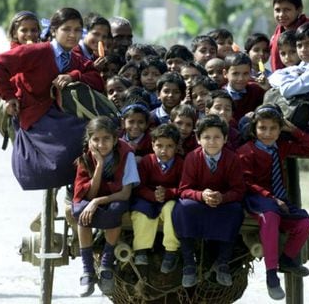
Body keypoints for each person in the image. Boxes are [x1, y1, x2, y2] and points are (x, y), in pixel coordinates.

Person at [0, 7, 105, 189]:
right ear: (53, 30)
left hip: (61, 116)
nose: (72, 35)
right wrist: (9, 96)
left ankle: (79, 195)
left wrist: (73, 76)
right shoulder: (37, 51)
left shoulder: (75, 58)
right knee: (65, 155)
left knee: (95, 137)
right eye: (66, 29)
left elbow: (95, 78)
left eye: (77, 30)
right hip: (37, 118)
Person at [236, 104, 309, 300]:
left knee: (304, 223)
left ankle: (287, 259)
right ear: (254, 129)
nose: (267, 133)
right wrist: (269, 197)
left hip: (277, 200)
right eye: (262, 128)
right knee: (271, 216)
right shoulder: (246, 152)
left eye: (273, 128)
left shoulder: (280, 146)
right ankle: (271, 275)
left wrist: (293, 130)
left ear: (280, 129)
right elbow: (246, 183)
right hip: (256, 198)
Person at [172, 114, 245, 288]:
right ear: (198, 139)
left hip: (222, 203)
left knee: (235, 210)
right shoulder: (192, 157)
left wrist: (223, 197)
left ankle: (222, 263)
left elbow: (239, 190)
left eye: (217, 137)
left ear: (225, 139)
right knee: (183, 208)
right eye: (206, 137)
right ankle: (189, 263)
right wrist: (201, 195)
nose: (212, 142)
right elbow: (184, 190)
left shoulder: (232, 158)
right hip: (199, 202)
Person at [72, 116, 140, 297]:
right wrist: (100, 165)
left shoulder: (126, 154)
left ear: (115, 139)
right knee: (80, 212)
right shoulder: (86, 157)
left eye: (106, 139)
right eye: (96, 139)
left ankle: (106, 264)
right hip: (94, 196)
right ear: (90, 140)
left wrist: (96, 203)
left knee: (115, 210)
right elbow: (89, 194)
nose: (101, 144)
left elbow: (125, 194)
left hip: (115, 197)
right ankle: (87, 270)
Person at [131, 123, 183, 273]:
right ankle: (141, 250)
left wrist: (168, 193)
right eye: (159, 145)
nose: (164, 150)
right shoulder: (147, 161)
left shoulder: (180, 163)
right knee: (141, 213)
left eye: (169, 146)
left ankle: (171, 251)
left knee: (172, 210)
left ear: (176, 147)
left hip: (169, 198)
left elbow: (184, 187)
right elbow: (139, 186)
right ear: (152, 145)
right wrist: (152, 195)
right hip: (147, 198)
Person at [270, 0, 309, 71]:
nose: (281, 14)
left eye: (287, 10)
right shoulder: (278, 32)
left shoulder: (308, 33)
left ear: (299, 10)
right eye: (277, 10)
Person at [223, 53, 265, 123]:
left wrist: (267, 90)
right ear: (225, 74)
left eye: (245, 73)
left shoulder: (256, 91)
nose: (241, 78)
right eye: (235, 74)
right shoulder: (220, 96)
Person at [120, 96, 152, 162]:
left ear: (147, 124)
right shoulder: (117, 137)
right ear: (123, 123)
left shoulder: (151, 141)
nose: (135, 126)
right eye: (131, 122)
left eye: (141, 122)